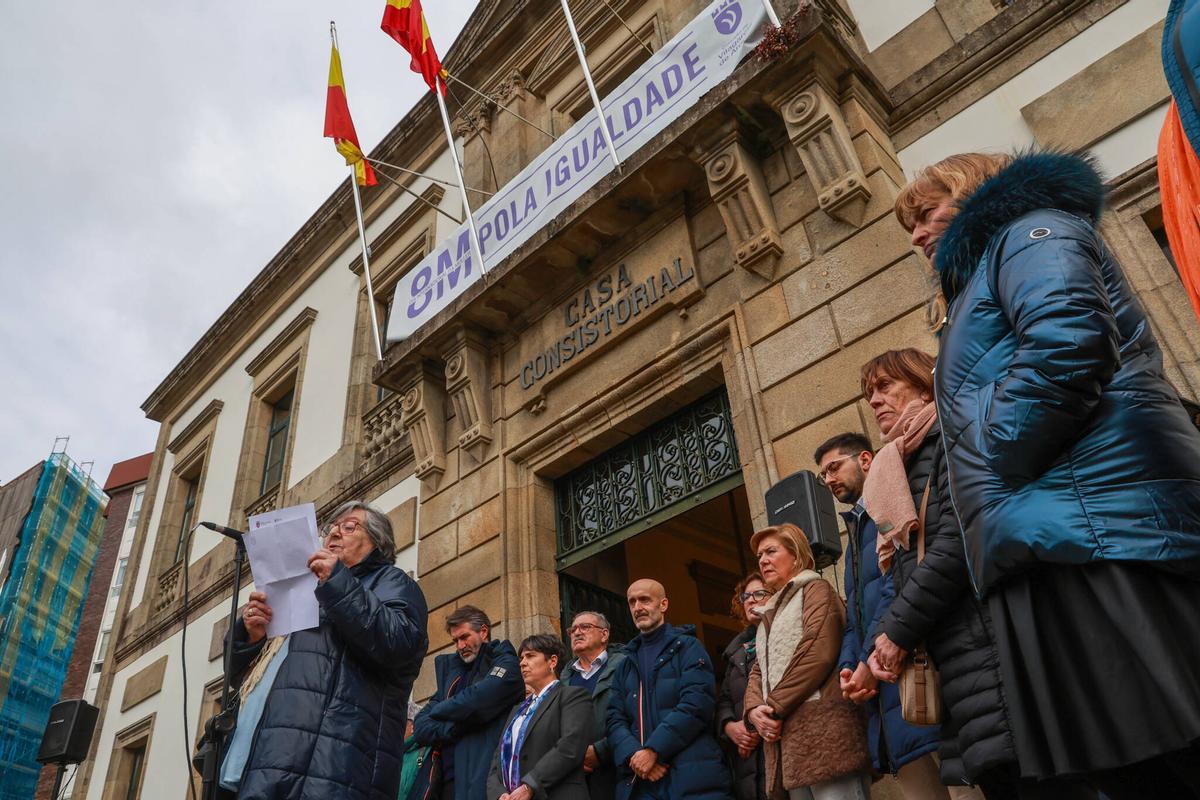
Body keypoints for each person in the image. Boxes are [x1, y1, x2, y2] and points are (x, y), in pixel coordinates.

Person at [891, 150, 1200, 798]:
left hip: (1098, 528)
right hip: (1055, 534)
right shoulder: (982, 274)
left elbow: (1068, 337)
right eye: (909, 225)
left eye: (925, 214)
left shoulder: (1028, 231)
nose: (917, 234)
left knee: (1169, 751)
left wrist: (998, 452)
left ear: (973, 190)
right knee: (1130, 767)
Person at [856, 350, 1016, 798]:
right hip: (959, 661)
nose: (875, 400)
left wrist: (894, 634)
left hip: (988, 647)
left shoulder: (951, 436)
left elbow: (955, 543)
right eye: (870, 393)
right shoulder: (898, 465)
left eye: (886, 386)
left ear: (924, 386)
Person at [222, 500, 429, 800]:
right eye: (330, 528)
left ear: (377, 542)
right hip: (270, 761)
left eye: (348, 527)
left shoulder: (393, 583)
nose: (333, 533)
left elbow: (399, 645)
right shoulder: (306, 589)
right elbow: (243, 679)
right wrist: (250, 637)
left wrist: (337, 582)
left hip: (331, 768)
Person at [814, 432, 948, 799]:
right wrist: (848, 667)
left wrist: (865, 664)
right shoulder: (856, 530)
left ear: (866, 460)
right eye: (823, 475)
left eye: (834, 467)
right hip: (885, 699)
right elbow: (856, 616)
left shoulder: (887, 506)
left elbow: (897, 584)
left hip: (916, 679)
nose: (828, 479)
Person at [744, 524, 870, 800]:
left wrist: (773, 707)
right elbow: (757, 670)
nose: (763, 560)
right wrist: (753, 710)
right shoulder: (769, 611)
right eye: (759, 556)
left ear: (796, 555)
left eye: (771, 551)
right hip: (790, 744)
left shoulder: (816, 589)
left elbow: (817, 651)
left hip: (826, 736)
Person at [606, 578, 731, 800]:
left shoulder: (689, 648)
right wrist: (635, 755)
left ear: (663, 605)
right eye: (632, 602)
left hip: (691, 774)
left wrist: (654, 750)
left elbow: (696, 704)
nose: (638, 607)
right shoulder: (624, 663)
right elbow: (614, 718)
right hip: (641, 782)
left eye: (645, 599)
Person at [410, 605, 525, 800]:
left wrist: (440, 711)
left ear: (483, 631)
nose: (460, 646)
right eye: (455, 641)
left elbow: (476, 701)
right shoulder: (452, 672)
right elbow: (421, 726)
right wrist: (455, 728)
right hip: (444, 782)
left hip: (482, 778)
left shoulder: (504, 661)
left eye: (464, 637)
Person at [486, 634, 593, 800]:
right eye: (521, 658)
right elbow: (496, 762)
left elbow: (570, 746)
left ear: (552, 661)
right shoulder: (517, 711)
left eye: (530, 656)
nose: (522, 663)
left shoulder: (572, 696)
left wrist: (531, 785)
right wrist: (499, 794)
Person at [715, 572, 772, 800]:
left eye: (759, 593)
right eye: (746, 596)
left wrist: (753, 727)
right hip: (747, 767)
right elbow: (724, 701)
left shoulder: (785, 634)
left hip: (778, 751)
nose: (750, 600)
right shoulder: (736, 651)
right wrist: (730, 728)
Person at [564, 611, 626, 800]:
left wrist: (600, 752)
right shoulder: (565, 676)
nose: (577, 632)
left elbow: (634, 715)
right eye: (573, 629)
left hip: (615, 771)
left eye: (585, 627)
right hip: (573, 777)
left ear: (604, 634)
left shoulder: (624, 665)